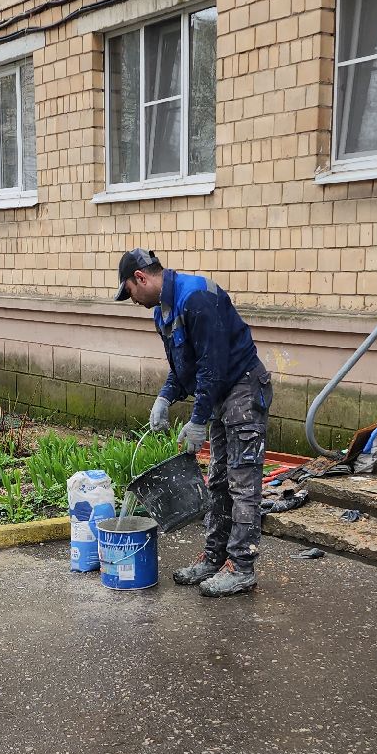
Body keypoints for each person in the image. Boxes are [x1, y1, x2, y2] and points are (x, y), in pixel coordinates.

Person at [116, 247, 273, 597]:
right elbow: (183, 368)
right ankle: (215, 558)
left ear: (140, 278)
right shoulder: (164, 312)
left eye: (129, 291)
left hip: (243, 388)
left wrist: (198, 420)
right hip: (219, 392)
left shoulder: (197, 298)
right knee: (217, 479)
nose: (132, 299)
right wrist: (165, 397)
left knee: (242, 480)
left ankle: (242, 567)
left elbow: (213, 366)